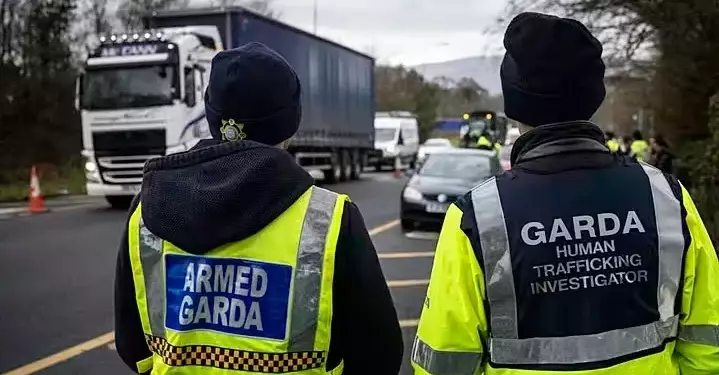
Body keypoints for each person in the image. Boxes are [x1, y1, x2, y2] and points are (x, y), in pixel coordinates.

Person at [412, 12, 719, 375]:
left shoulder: (478, 215)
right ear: (593, 95)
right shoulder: (666, 197)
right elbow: (707, 343)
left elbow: (446, 362)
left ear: (515, 104)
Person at [114, 42, 403, 375]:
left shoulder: (145, 211)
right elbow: (379, 354)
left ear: (212, 116)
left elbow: (134, 349)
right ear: (290, 123)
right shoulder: (329, 219)